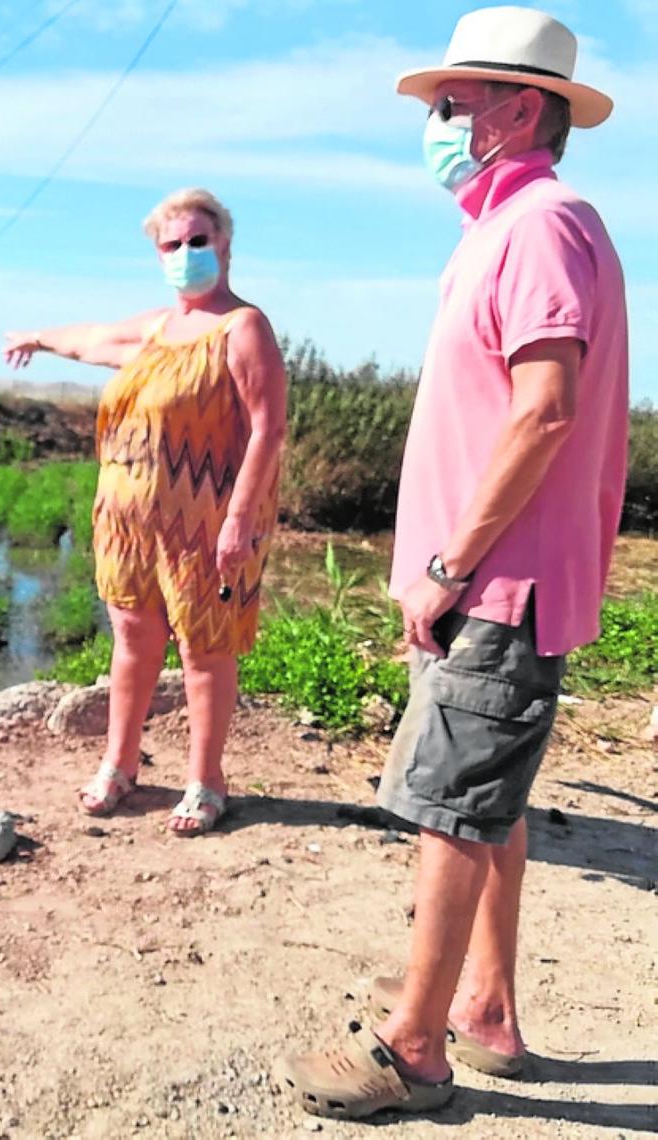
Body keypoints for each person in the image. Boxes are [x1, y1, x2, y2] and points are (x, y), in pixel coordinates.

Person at [276, 6, 629, 1120]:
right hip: (479, 583)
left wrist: (447, 565)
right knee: (490, 805)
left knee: (451, 808)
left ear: (521, 110)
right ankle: (484, 1007)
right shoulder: (509, 226)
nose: (434, 124)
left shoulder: (539, 225)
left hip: (493, 585)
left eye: (449, 105)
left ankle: (414, 1049)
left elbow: (545, 411)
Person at [3, 188, 286, 836]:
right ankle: (120, 762)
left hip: (208, 524)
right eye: (172, 245)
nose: (186, 254)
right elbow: (93, 339)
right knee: (132, 639)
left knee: (204, 647)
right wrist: (38, 337)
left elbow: (269, 430)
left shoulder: (242, 328)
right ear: (158, 254)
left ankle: (206, 781)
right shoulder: (157, 328)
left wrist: (240, 521)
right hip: (129, 522)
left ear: (225, 245)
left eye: (197, 241)